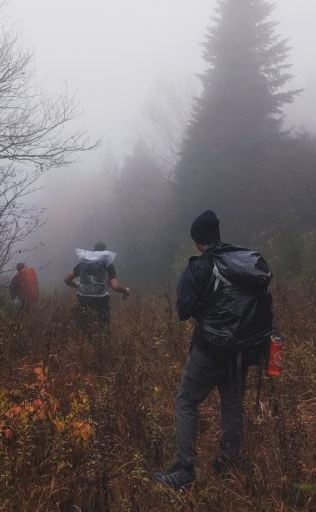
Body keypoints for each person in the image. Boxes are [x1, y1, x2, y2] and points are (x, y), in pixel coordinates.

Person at [152, 210, 273, 490]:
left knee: (186, 400)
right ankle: (228, 464)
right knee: (232, 406)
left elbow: (183, 311)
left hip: (210, 350)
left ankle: (184, 470)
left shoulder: (200, 267)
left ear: (196, 240)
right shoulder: (242, 262)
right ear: (217, 234)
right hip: (243, 350)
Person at [64, 241, 130, 329]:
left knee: (83, 328)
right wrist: (125, 290)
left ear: (93, 251)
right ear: (105, 253)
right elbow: (115, 286)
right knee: (103, 329)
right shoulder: (108, 265)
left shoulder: (83, 263)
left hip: (84, 299)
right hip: (101, 300)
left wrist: (77, 285)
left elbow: (67, 279)